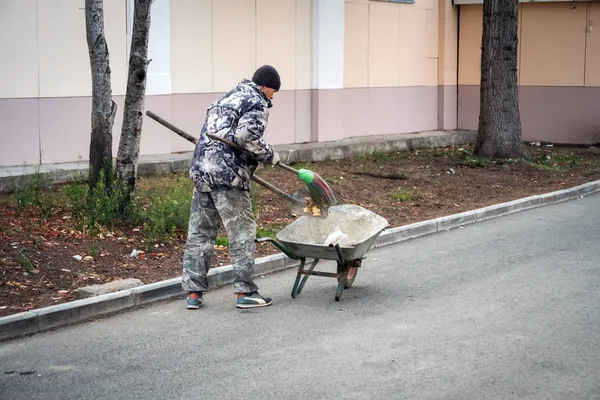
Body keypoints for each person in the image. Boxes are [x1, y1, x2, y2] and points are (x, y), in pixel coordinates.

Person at [181, 65, 282, 310]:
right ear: (266, 87)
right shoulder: (255, 101)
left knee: (200, 234)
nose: (272, 98)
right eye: (274, 93)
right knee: (242, 233)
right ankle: (245, 293)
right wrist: (269, 156)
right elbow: (248, 138)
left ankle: (193, 294)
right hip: (229, 177)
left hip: (203, 171)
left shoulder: (225, 98)